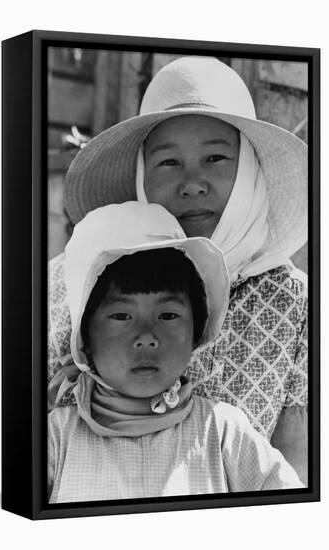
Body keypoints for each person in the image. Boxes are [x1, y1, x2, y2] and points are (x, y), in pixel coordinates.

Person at [48, 56, 308, 484]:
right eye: (168, 162)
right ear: (140, 174)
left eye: (216, 159)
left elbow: (295, 458)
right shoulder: (71, 282)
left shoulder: (295, 301)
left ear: (249, 170)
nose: (192, 183)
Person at [48, 201, 303, 504]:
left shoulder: (222, 431)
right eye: (121, 316)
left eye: (167, 316)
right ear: (85, 337)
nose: (146, 337)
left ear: (196, 331)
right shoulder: (55, 438)